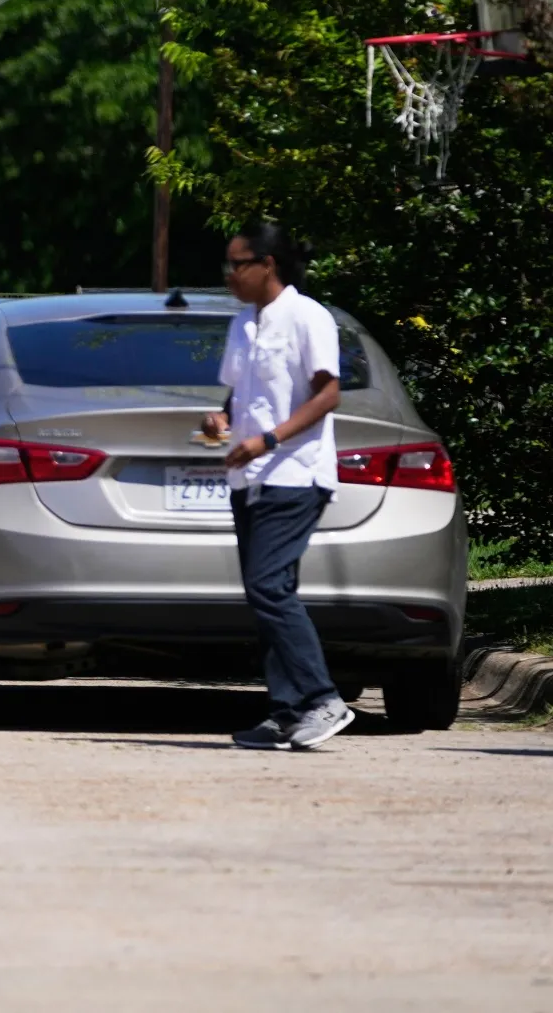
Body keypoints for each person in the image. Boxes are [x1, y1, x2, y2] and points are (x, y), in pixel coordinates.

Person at [201, 221, 350, 751]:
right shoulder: (243, 322)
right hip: (249, 476)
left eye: (238, 264)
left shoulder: (308, 317)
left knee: (266, 587)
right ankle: (286, 712)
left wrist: (267, 439)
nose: (230, 276)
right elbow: (237, 396)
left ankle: (323, 698)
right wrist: (220, 422)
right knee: (270, 593)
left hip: (295, 473)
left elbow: (327, 394)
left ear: (268, 265)